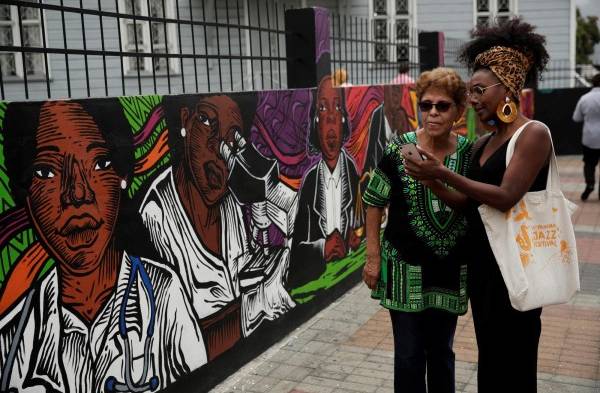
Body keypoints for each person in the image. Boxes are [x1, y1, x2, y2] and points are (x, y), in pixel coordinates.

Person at [0, 100, 207, 393]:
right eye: (47, 172)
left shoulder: (163, 296)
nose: (77, 195)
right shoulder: (14, 338)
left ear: (122, 177)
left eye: (99, 164)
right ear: (25, 194)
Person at [403, 18, 551, 393]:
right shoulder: (482, 144)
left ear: (508, 87)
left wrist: (443, 172)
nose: (471, 100)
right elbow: (465, 202)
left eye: (479, 90)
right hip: (484, 270)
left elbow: (504, 197)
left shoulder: (532, 134)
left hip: (517, 269)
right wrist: (429, 178)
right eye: (470, 92)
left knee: (515, 362)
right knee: (490, 360)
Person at [140, 95, 293, 350]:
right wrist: (250, 309)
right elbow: (180, 343)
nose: (218, 146)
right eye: (206, 121)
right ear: (185, 121)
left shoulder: (231, 203)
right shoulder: (156, 218)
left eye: (232, 136)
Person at [362, 67, 471, 393]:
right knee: (408, 355)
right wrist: (372, 257)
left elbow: (473, 204)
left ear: (458, 111)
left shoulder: (469, 154)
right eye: (426, 105)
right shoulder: (399, 149)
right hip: (403, 268)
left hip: (449, 269)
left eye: (442, 105)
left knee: (441, 352)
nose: (433, 113)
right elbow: (373, 202)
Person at [289, 75, 362, 289]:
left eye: (337, 107)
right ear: (315, 122)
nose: (330, 119)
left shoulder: (352, 171)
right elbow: (296, 255)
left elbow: (361, 225)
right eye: (322, 108)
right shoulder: (310, 181)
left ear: (343, 119)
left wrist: (354, 239)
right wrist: (322, 248)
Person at [572, 72, 600, 200]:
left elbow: (576, 118)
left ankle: (590, 184)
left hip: (590, 138)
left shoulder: (585, 98)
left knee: (589, 164)